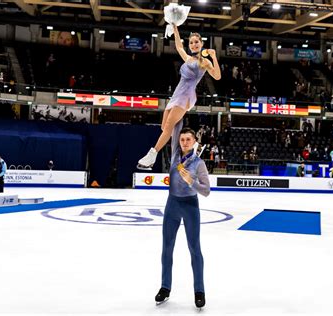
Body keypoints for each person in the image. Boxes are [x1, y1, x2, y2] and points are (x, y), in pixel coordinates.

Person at [137, 24, 221, 170]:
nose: (194, 44)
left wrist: (214, 57)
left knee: (169, 126)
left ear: (201, 44)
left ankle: (152, 155)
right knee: (165, 128)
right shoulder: (188, 59)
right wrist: (175, 28)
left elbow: (217, 76)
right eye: (191, 42)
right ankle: (194, 145)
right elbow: (179, 47)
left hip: (187, 95)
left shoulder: (204, 61)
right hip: (176, 94)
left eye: (196, 42)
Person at [154, 120, 210, 309]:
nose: (184, 142)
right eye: (182, 139)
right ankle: (165, 287)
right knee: (167, 248)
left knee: (194, 249)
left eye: (188, 139)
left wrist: (191, 182)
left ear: (194, 142)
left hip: (190, 207)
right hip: (172, 206)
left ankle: (199, 291)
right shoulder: (175, 156)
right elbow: (175, 125)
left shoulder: (199, 164)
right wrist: (179, 104)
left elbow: (207, 191)